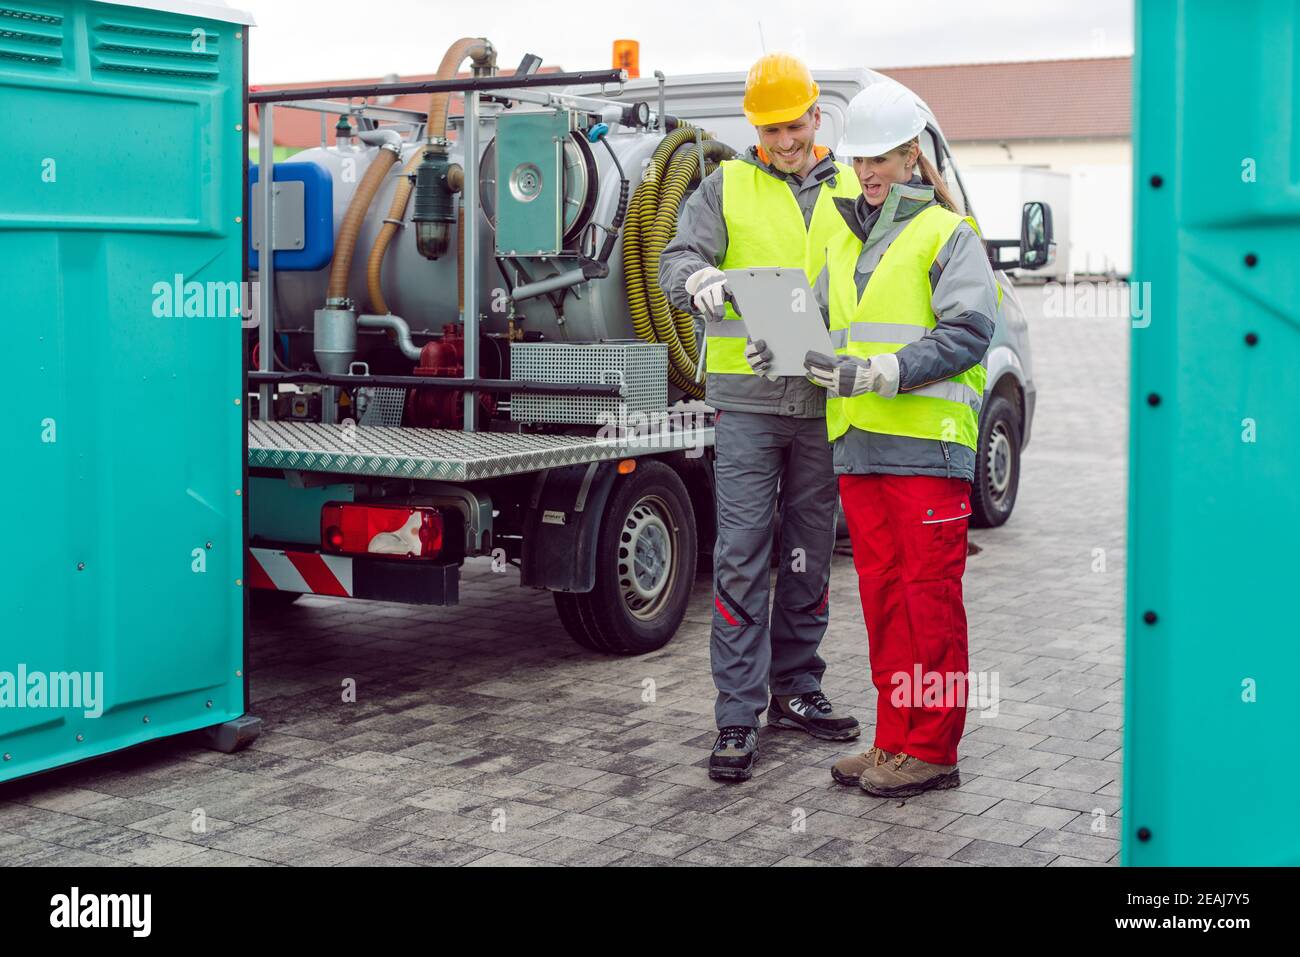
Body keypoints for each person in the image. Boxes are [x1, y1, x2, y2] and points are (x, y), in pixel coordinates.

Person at [659, 52, 862, 782]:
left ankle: (798, 688)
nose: (785, 140)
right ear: (757, 127)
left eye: (796, 124)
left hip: (824, 398)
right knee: (741, 557)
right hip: (748, 400)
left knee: (809, 551)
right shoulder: (725, 185)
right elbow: (676, 259)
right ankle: (737, 716)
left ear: (817, 114)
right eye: (772, 129)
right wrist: (697, 280)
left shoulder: (852, 184)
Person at [803, 80, 1000, 798]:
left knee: (929, 603)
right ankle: (893, 740)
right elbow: (835, 331)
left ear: (912, 156)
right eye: (859, 162)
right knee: (885, 600)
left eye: (880, 159)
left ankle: (933, 749)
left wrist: (886, 370)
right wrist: (790, 349)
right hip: (859, 445)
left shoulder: (949, 235)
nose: (868, 173)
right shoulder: (852, 237)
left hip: (926, 452)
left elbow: (970, 333)